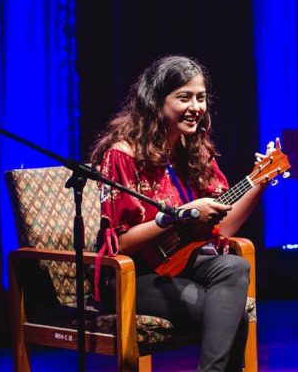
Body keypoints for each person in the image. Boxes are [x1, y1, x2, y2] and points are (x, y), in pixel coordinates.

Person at [89, 54, 271, 372]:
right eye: (184, 97)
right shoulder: (123, 154)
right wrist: (179, 215)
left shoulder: (193, 151)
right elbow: (122, 244)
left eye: (200, 98)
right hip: (132, 275)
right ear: (157, 102)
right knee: (233, 313)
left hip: (179, 265)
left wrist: (259, 182)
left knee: (234, 266)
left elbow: (223, 229)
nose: (195, 107)